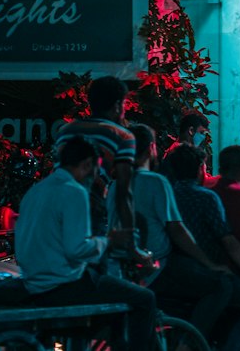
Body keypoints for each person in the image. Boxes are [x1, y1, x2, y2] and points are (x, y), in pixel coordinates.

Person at [14, 135, 157, 351]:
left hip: (34, 282)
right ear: (88, 165)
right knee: (145, 298)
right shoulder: (74, 192)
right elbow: (77, 249)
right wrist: (109, 241)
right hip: (63, 284)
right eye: (96, 169)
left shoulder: (37, 191)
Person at [108, 125, 238, 349]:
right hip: (156, 267)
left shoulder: (115, 185)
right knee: (221, 286)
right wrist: (208, 264)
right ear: (151, 148)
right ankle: (187, 345)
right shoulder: (156, 182)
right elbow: (178, 231)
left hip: (122, 269)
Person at [162, 143, 240, 351]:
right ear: (200, 169)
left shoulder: (167, 195)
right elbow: (229, 241)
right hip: (200, 272)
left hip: (169, 271)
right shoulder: (206, 197)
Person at [54, 75, 136, 237]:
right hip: (90, 212)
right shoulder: (123, 137)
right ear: (118, 105)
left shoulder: (66, 131)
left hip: (57, 207)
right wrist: (131, 237)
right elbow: (123, 192)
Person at [176, 111, 213, 180]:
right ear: (191, 130)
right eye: (201, 132)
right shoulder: (182, 153)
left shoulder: (177, 150)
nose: (203, 137)